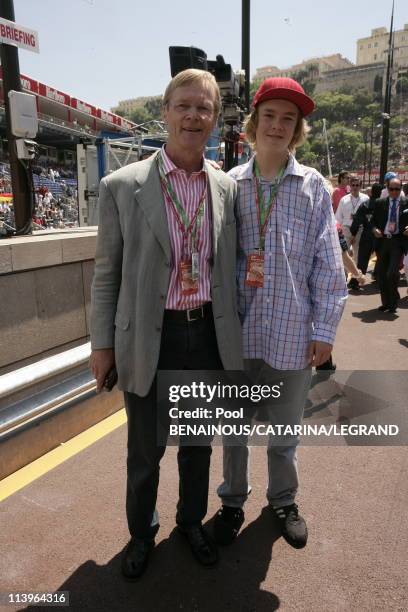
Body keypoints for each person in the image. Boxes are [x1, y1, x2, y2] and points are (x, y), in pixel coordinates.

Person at [89, 68, 243, 579]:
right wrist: (101, 346)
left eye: (204, 108)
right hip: (149, 338)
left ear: (215, 120)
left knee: (197, 446)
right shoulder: (122, 186)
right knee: (145, 451)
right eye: (184, 105)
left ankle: (190, 522)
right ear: (165, 111)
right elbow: (106, 275)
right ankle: (141, 533)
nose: (193, 116)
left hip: (204, 335)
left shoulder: (226, 188)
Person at [214, 77, 347, 550]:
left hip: (292, 334)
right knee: (234, 429)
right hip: (240, 334)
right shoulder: (229, 185)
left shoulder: (312, 186)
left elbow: (328, 265)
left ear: (297, 130)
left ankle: (283, 499)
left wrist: (325, 330)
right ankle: (232, 501)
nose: (277, 125)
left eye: (288, 119)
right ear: (253, 123)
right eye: (269, 115)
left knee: (285, 431)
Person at [372, 177, 408, 313]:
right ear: (387, 189)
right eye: (391, 189)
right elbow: (373, 221)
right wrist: (374, 229)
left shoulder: (406, 203)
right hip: (382, 241)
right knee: (381, 274)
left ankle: (393, 303)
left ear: (401, 189)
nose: (394, 192)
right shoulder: (380, 203)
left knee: (392, 273)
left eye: (397, 189)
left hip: (398, 241)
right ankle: (386, 303)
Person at [335, 177, 369, 272]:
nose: (355, 187)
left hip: (360, 230)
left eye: (357, 185)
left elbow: (368, 217)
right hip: (346, 229)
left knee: (358, 255)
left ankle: (355, 280)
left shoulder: (366, 199)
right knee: (343, 253)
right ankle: (344, 277)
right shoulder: (344, 199)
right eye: (353, 185)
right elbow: (338, 217)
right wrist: (339, 231)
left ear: (360, 186)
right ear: (349, 186)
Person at [349, 182, 382, 276]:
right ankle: (377, 275)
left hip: (366, 235)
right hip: (380, 236)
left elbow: (356, 221)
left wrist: (353, 233)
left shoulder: (364, 205)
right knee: (382, 257)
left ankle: (355, 281)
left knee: (362, 260)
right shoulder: (384, 204)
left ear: (371, 192)